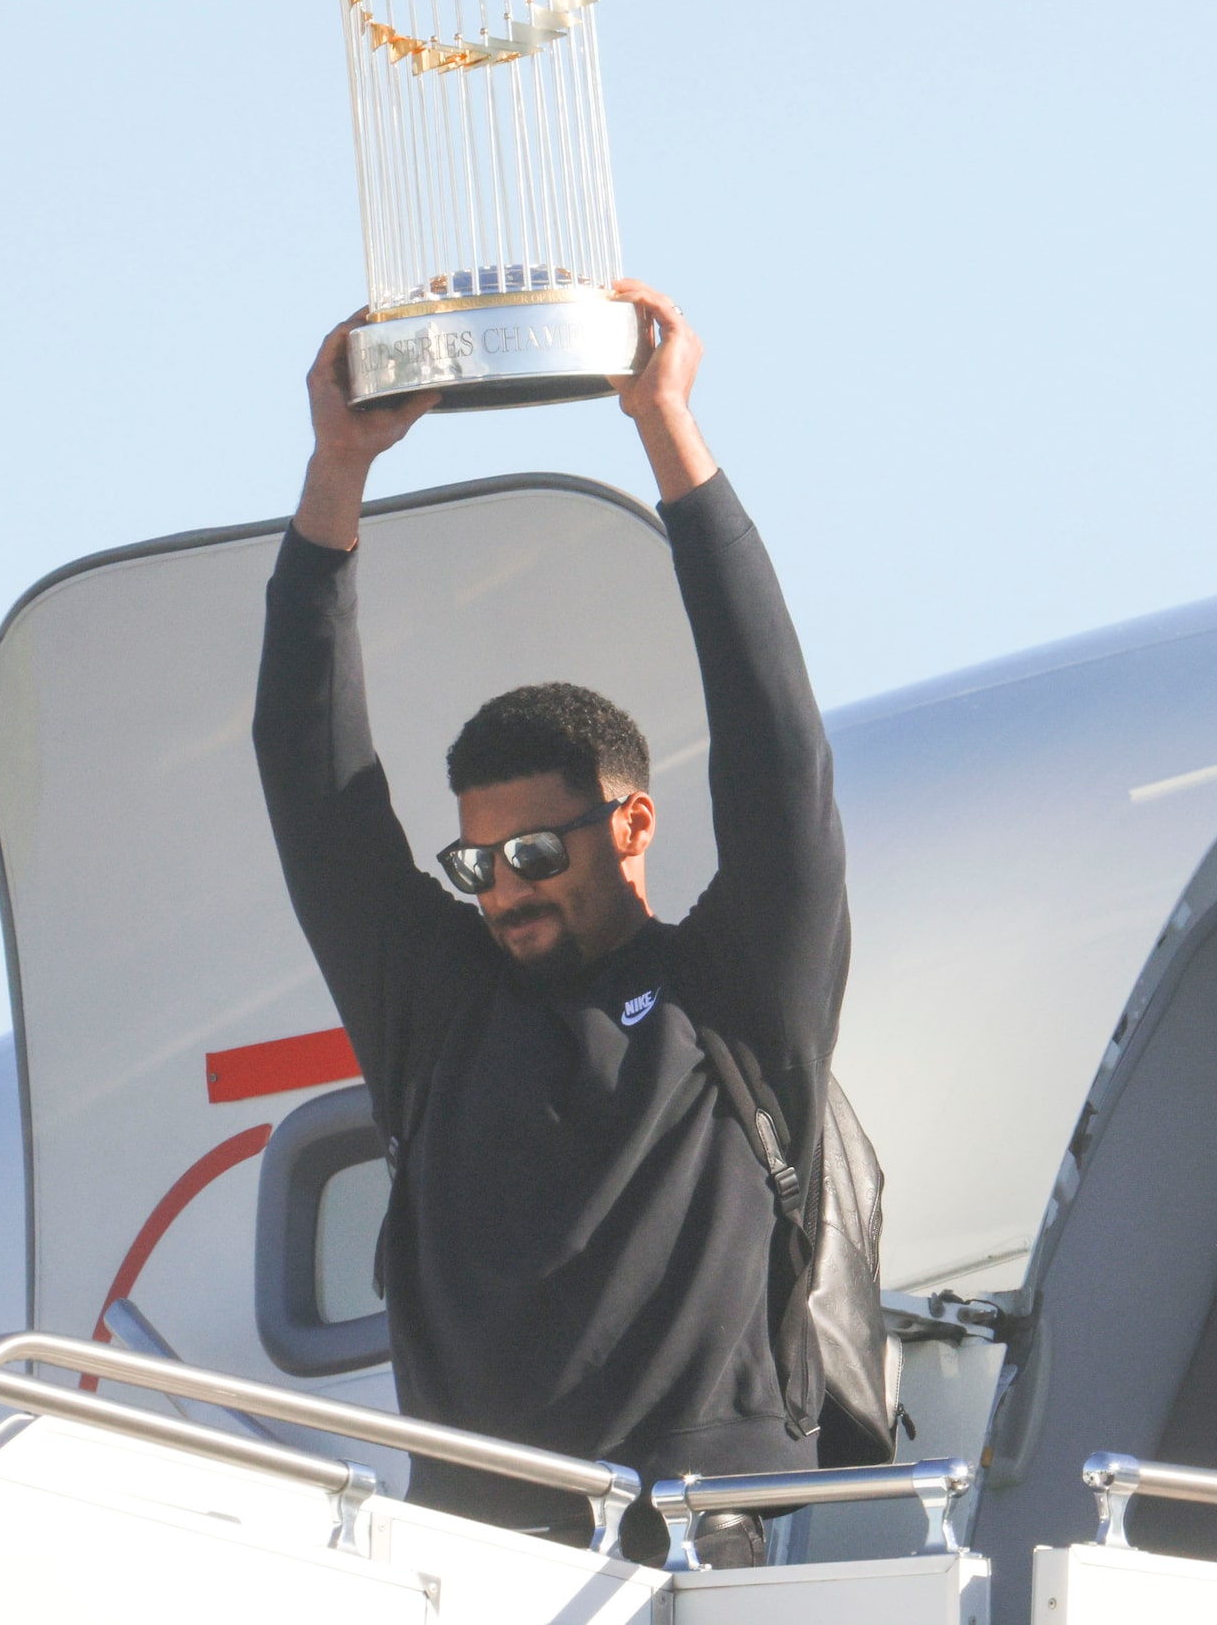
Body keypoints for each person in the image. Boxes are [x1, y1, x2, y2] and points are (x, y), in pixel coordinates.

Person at [251, 282, 849, 1568]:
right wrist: (335, 473)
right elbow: (313, 786)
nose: (505, 887)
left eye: (534, 851)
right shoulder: (441, 1008)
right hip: (477, 1553)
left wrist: (664, 427)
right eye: (478, 862)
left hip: (701, 1541)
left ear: (629, 826)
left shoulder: (737, 990)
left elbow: (778, 750)